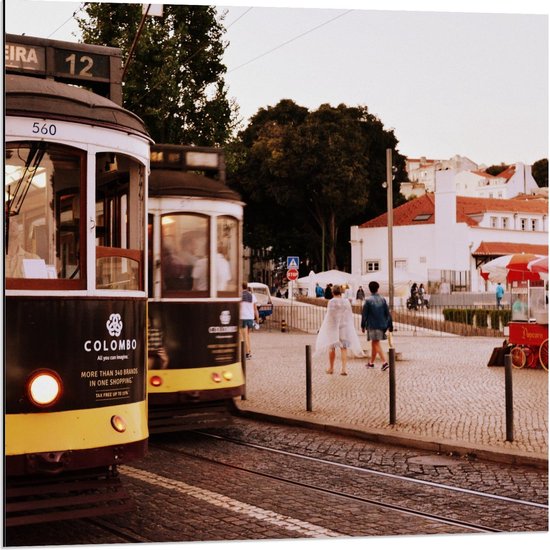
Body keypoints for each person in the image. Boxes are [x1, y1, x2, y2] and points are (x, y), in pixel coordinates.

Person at [315, 284, 363, 375]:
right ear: (341, 292)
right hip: (344, 327)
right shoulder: (346, 302)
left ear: (333, 292)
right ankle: (344, 369)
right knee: (343, 348)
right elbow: (349, 315)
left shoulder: (331, 302)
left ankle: (331, 368)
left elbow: (329, 316)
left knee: (332, 347)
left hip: (334, 327)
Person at [361, 281, 393, 371]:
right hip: (382, 324)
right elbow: (387, 313)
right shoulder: (382, 299)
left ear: (369, 289)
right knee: (374, 343)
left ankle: (384, 362)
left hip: (372, 324)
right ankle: (371, 362)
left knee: (376, 343)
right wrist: (390, 324)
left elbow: (364, 315)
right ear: (377, 288)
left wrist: (363, 325)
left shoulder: (368, 301)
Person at [240, 282, 260, 360]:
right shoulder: (252, 296)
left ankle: (247, 353)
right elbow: (255, 309)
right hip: (250, 318)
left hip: (242, 318)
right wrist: (257, 320)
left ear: (241, 287)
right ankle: (249, 351)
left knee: (242, 336)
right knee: (247, 335)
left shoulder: (239, 296)